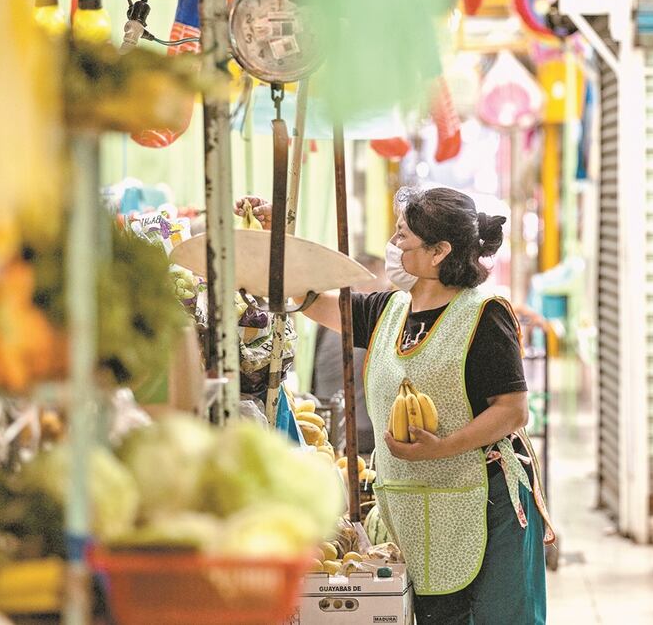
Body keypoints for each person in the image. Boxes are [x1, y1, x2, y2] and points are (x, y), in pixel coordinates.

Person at [236, 188, 554, 624]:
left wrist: (442, 446)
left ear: (440, 251)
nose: (395, 243)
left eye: (404, 235)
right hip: (418, 504)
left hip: (487, 501)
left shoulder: (484, 314)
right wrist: (278, 238)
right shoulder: (389, 310)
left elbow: (513, 409)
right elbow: (314, 301)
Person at [311, 253, 389, 456]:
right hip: (362, 431)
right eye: (384, 283)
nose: (387, 290)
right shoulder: (372, 324)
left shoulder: (326, 323)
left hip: (325, 423)